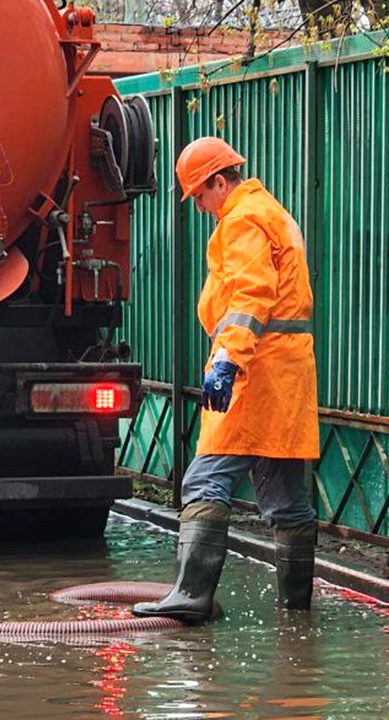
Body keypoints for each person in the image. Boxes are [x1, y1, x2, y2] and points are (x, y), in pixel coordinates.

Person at [132, 137, 319, 624]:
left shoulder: (241, 220)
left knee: (204, 480)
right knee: (285, 498)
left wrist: (227, 361)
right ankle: (296, 612)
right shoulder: (272, 212)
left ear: (220, 181)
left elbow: (251, 295)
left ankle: (192, 596)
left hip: (254, 372)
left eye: (199, 194)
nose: (198, 206)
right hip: (286, 374)